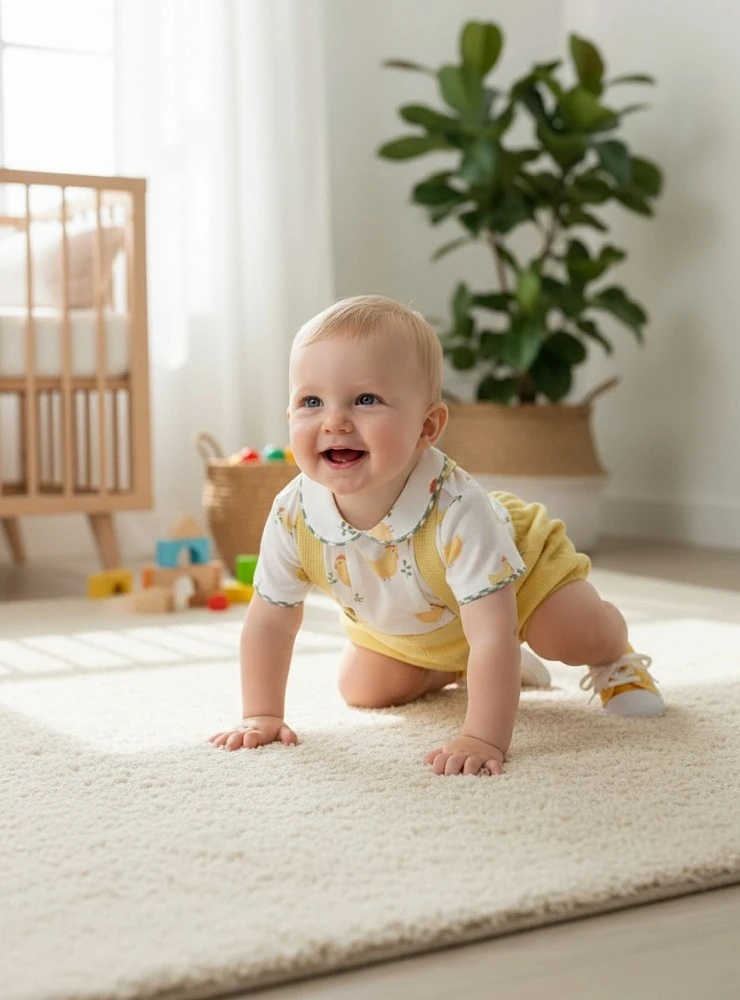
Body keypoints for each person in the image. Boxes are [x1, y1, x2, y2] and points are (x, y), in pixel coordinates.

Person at [209, 295, 664, 776]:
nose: (334, 421)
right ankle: (462, 667)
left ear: (427, 427)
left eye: (365, 400)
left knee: (571, 633)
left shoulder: (458, 509)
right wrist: (261, 713)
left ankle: (615, 654)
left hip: (519, 583)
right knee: (362, 689)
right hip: (416, 622)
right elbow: (270, 623)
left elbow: (493, 632)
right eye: (311, 401)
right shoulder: (293, 513)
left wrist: (482, 737)